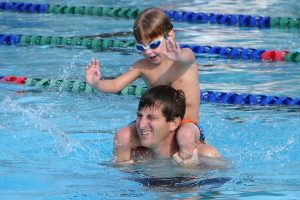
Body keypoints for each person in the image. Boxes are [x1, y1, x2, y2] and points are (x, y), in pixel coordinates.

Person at [85, 7, 214, 165]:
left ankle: (187, 175)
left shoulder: (184, 58)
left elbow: (187, 58)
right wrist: (96, 83)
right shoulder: (142, 66)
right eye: (141, 48)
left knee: (185, 137)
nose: (148, 52)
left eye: (153, 45)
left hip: (186, 124)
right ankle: (122, 174)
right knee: (122, 136)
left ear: (170, 35)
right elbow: (115, 85)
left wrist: (178, 56)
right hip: (157, 125)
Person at [112, 85, 220, 165]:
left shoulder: (206, 156)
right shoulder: (132, 150)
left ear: (173, 123)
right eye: (139, 116)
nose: (141, 124)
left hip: (187, 133)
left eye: (151, 118)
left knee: (186, 135)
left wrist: (191, 172)